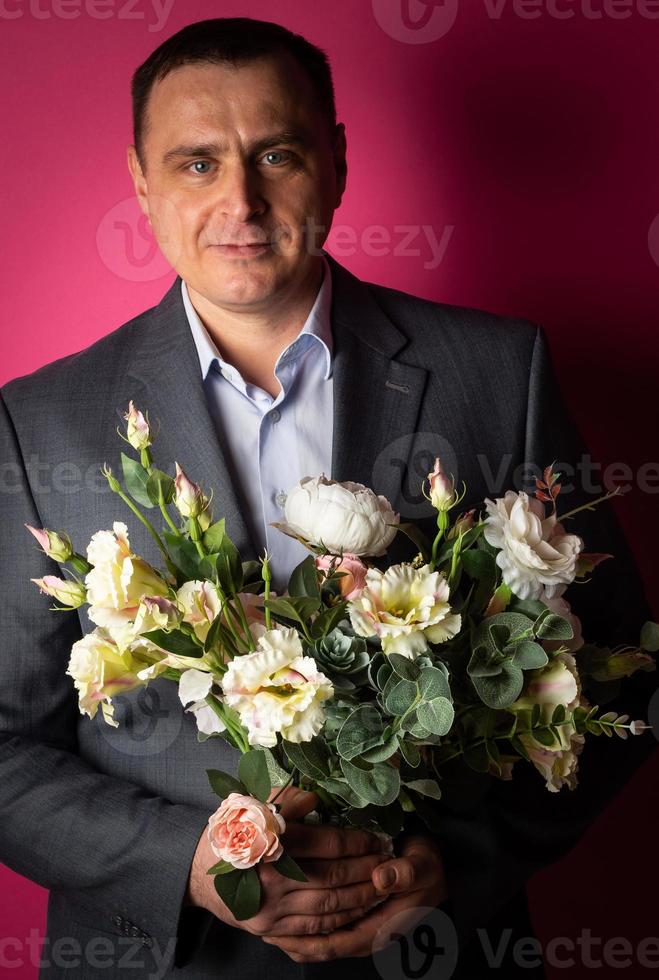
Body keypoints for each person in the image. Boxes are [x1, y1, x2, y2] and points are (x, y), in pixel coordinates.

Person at [0, 17, 654, 980]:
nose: (241, 201)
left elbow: (618, 671)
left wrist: (453, 868)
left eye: (276, 153)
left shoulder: (496, 371)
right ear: (140, 183)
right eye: (195, 164)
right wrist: (187, 865)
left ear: (336, 162)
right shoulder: (35, 421)